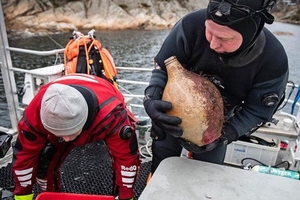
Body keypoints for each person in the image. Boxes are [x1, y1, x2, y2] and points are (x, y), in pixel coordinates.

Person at [143, 0, 289, 174]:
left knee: (207, 173)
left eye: (224, 39)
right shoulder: (191, 25)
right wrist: (151, 97)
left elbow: (257, 111)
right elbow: (163, 67)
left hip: (221, 123)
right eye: (209, 32)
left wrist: (225, 136)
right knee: (162, 165)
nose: (212, 44)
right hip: (171, 112)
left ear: (251, 34)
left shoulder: (273, 60)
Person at [12, 73, 140, 200]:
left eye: (70, 133)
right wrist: (22, 195)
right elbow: (24, 157)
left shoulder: (112, 116)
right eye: (61, 135)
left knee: (122, 166)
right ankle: (52, 195)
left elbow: (126, 160)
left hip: (103, 107)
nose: (66, 140)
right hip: (61, 125)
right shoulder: (34, 115)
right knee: (44, 163)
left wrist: (126, 195)